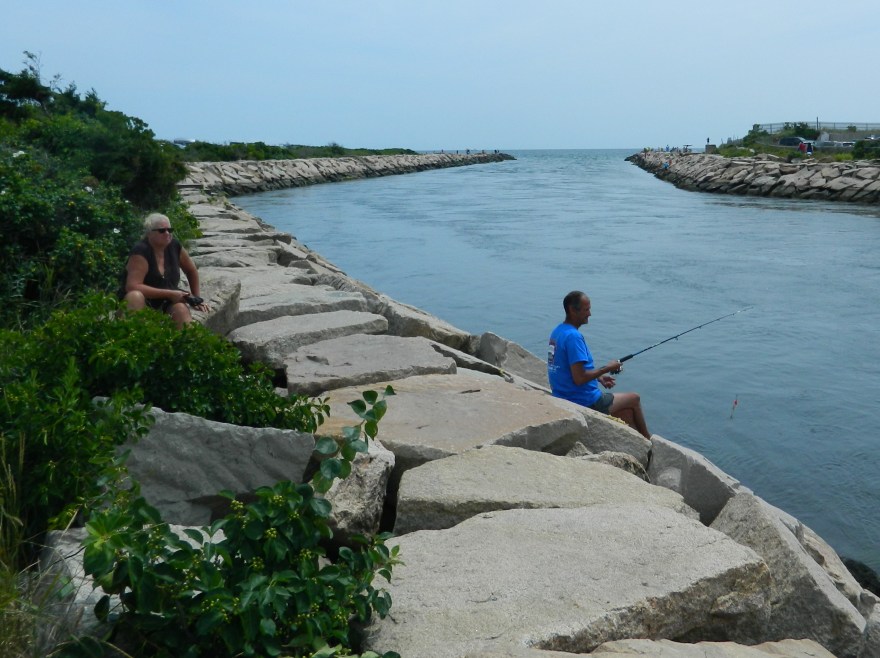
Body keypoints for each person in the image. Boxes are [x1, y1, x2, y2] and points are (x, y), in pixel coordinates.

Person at [547, 291, 650, 438]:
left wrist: (599, 378)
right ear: (572, 310)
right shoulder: (573, 337)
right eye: (586, 309)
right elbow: (579, 378)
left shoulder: (558, 331)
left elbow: (568, 369)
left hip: (562, 393)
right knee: (634, 399)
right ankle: (648, 440)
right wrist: (608, 368)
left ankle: (638, 443)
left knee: (626, 413)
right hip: (582, 400)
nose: (590, 314)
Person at [120, 212, 209, 328]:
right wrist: (170, 293)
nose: (167, 233)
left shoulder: (174, 246)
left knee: (181, 309)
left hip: (165, 302)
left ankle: (186, 343)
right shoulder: (141, 252)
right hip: (144, 301)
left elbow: (191, 271)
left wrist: (196, 299)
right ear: (149, 234)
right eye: (162, 231)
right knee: (135, 296)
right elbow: (132, 286)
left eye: (169, 230)